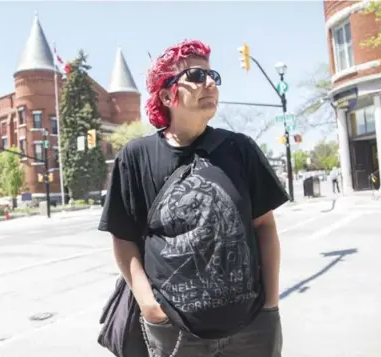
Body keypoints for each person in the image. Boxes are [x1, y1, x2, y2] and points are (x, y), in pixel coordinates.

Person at [98, 39, 289, 357]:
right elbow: (123, 238)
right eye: (197, 76)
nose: (210, 83)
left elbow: (265, 227)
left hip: (252, 329)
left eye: (213, 75)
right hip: (177, 335)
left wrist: (270, 305)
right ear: (166, 94)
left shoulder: (239, 149)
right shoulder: (136, 156)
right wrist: (149, 305)